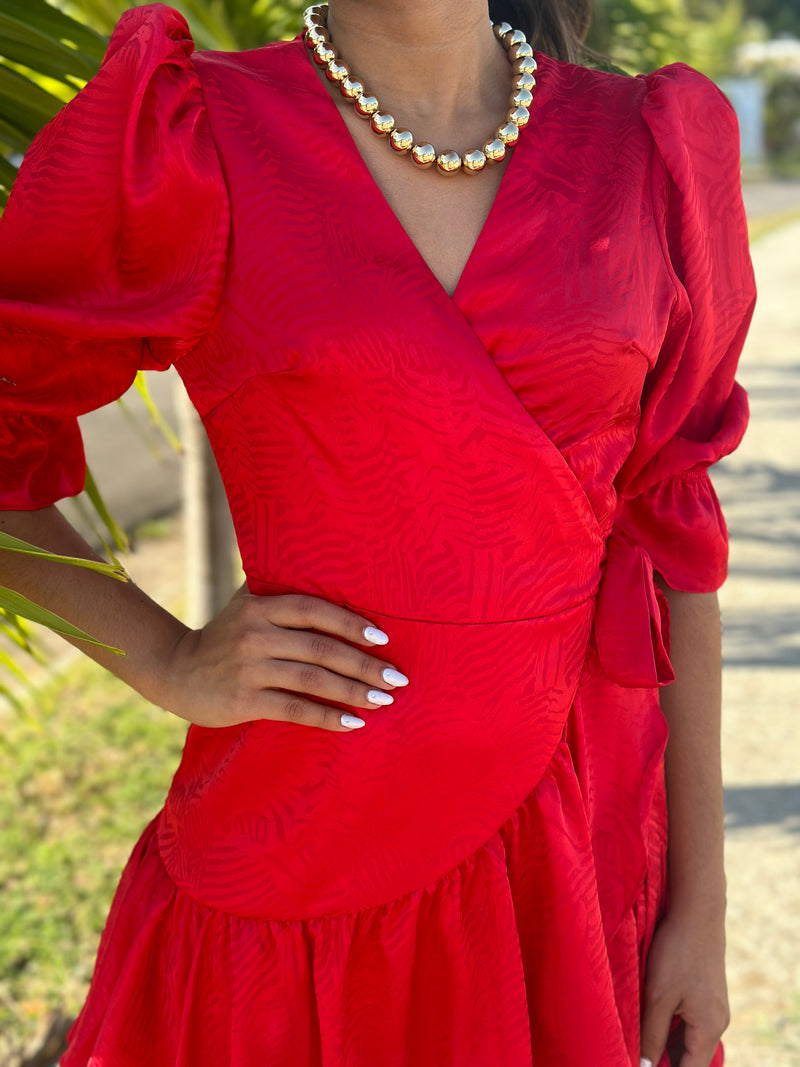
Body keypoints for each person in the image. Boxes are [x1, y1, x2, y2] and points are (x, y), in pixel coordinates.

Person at [0, 0, 756, 1063]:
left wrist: (698, 908)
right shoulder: (191, 132)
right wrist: (163, 657)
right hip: (295, 858)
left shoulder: (648, 144)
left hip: (564, 848)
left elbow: (671, 532)